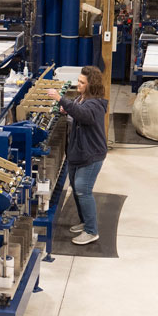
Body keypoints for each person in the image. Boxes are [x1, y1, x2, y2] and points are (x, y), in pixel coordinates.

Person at [46, 66, 108, 245]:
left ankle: (91, 230)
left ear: (91, 85)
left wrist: (60, 99)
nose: (78, 84)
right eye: (78, 81)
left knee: (83, 189)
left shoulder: (95, 104)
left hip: (91, 154)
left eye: (82, 82)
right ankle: (85, 222)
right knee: (76, 187)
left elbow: (83, 114)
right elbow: (75, 110)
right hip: (77, 152)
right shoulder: (81, 98)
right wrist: (65, 110)